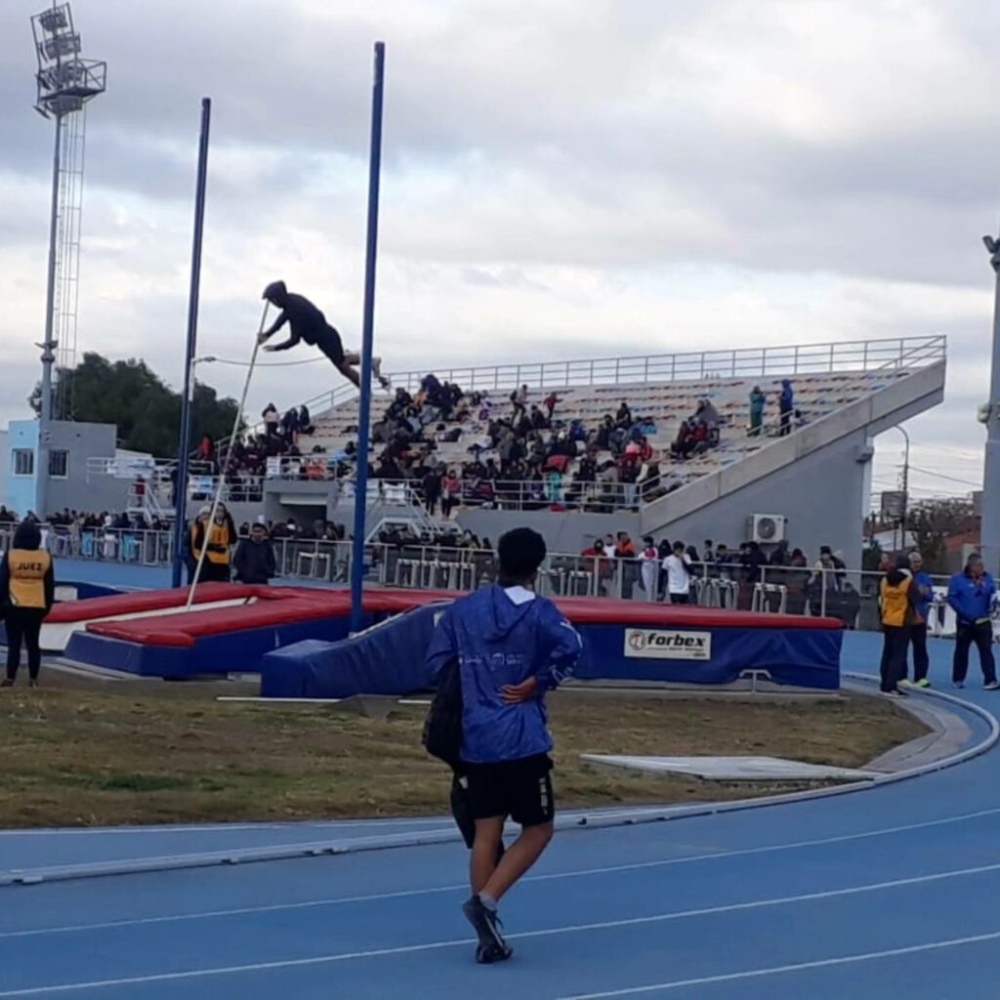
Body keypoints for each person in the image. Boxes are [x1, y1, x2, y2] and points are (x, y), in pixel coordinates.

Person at [425, 527, 582, 964]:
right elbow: (573, 647)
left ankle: (486, 933)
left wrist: (474, 681)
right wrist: (538, 681)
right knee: (540, 827)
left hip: (476, 737)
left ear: (498, 559)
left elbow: (436, 661)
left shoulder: (463, 610)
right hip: (521, 736)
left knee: (486, 833)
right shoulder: (541, 613)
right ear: (539, 566)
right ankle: (488, 902)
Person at [257, 281, 390, 391]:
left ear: (277, 298)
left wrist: (275, 348)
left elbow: (294, 340)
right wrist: (267, 334)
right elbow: (281, 321)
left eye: (272, 301)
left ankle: (365, 391)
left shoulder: (294, 309)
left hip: (326, 339)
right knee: (342, 360)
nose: (273, 304)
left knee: (343, 367)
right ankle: (370, 362)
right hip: (327, 337)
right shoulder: (292, 301)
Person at [0, 520, 55, 688]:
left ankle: (10, 678)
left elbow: (2, 583)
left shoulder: (11, 555)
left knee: (14, 644)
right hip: (36, 605)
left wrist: (2, 607)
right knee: (33, 644)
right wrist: (47, 607)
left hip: (14, 605)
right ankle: (33, 679)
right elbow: (49, 584)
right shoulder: (45, 557)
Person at [947, 553, 999, 690]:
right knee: (961, 651)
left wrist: (985, 590)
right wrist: (964, 613)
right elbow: (952, 598)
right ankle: (958, 678)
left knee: (986, 651)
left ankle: (991, 679)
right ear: (972, 566)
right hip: (965, 622)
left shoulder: (987, 578)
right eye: (979, 565)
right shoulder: (958, 579)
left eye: (983, 565)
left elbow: (993, 594)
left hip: (983, 621)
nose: (982, 568)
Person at [878, 554, 915, 696]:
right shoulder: (908, 581)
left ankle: (884, 683)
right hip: (902, 620)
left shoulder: (885, 580)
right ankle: (892, 685)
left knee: (887, 652)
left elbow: (881, 597)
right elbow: (914, 599)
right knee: (897, 655)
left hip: (887, 619)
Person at [907, 552, 933, 687]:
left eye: (919, 562)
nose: (916, 564)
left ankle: (920, 677)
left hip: (920, 618)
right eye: (914, 562)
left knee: (920, 647)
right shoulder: (905, 576)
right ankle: (901, 675)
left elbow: (930, 596)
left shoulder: (925, 577)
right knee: (902, 647)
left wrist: (926, 592)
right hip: (905, 617)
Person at [663, 540, 692, 604]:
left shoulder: (687, 557)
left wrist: (682, 560)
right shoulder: (668, 559)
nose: (680, 552)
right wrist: (661, 589)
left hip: (684, 587)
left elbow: (691, 570)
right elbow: (662, 574)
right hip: (673, 587)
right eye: (678, 550)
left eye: (681, 550)